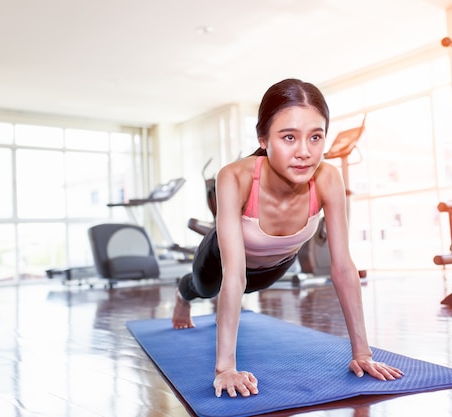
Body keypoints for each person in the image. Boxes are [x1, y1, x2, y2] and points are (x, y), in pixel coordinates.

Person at [172, 78, 403, 398]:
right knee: (202, 289)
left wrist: (362, 354)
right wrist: (226, 368)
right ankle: (181, 295)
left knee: (253, 284)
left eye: (315, 137)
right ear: (263, 139)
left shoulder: (328, 178)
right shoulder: (235, 176)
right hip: (222, 263)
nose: (305, 153)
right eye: (289, 137)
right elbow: (234, 275)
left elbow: (343, 268)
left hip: (275, 266)